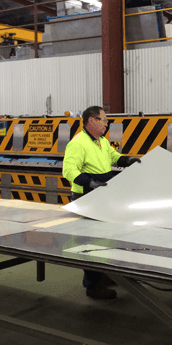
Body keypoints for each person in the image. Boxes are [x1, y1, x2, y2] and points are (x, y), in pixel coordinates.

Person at [63, 105, 141, 299]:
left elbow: (112, 157)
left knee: (106, 238)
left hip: (103, 196)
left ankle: (103, 274)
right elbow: (68, 170)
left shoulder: (101, 141)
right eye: (103, 120)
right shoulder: (78, 143)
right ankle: (92, 286)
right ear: (91, 121)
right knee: (89, 242)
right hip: (87, 197)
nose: (107, 124)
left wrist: (127, 160)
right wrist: (88, 182)